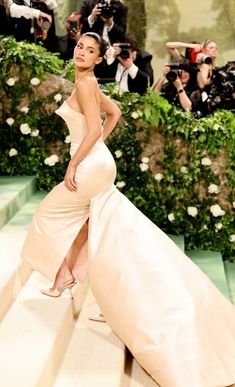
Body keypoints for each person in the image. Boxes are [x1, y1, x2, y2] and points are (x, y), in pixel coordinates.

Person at [21, 32, 235, 387]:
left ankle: (66, 277)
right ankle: (92, 286)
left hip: (90, 166)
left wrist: (75, 162)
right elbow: (115, 113)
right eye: (79, 47)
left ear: (99, 58)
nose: (81, 53)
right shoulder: (86, 80)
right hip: (99, 163)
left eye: (90, 50)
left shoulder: (87, 83)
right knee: (98, 226)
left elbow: (92, 127)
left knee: (47, 214)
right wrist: (95, 150)